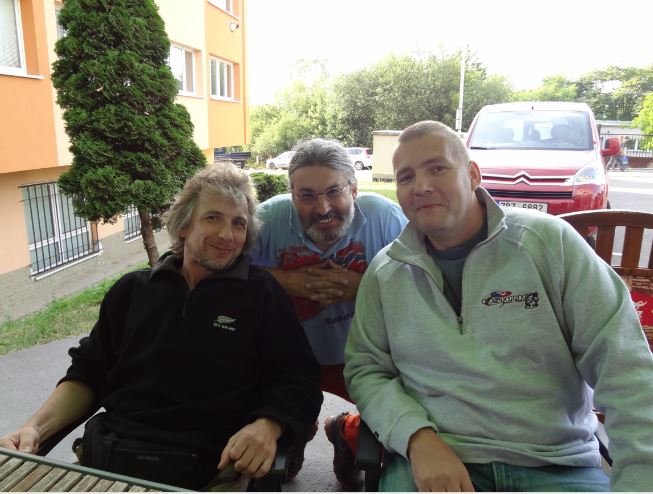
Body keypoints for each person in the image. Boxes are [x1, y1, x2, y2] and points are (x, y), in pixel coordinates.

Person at [344, 120, 653, 491]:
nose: (421, 186)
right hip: (435, 460)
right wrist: (416, 438)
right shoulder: (385, 273)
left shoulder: (549, 244)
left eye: (437, 168)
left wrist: (640, 479)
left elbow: (625, 368)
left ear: (473, 174)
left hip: (555, 464)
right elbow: (366, 370)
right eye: (406, 177)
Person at [0, 163, 323, 490]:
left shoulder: (261, 295)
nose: (227, 235)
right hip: (110, 459)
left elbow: (299, 378)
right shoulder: (132, 291)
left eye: (238, 223)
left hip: (212, 469)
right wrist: (34, 428)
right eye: (213, 218)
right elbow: (88, 373)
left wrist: (268, 425)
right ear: (184, 226)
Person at [248, 138, 407, 487]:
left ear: (354, 189)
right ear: (292, 195)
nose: (322, 208)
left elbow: (423, 283)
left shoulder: (385, 217)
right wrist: (287, 280)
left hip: (364, 357)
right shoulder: (267, 219)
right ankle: (299, 432)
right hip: (288, 360)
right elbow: (227, 273)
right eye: (307, 195)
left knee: (389, 429)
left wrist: (364, 286)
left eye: (334, 191)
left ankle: (344, 432)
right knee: (282, 426)